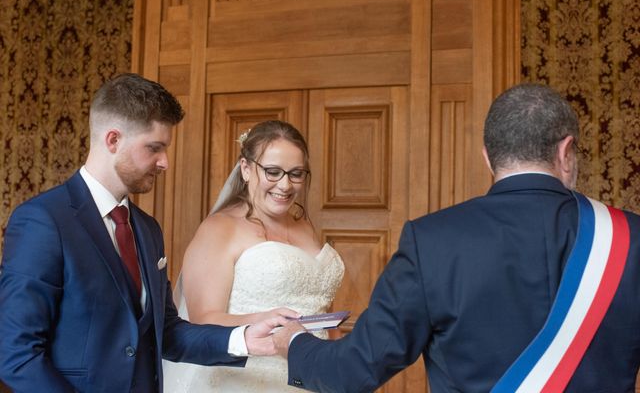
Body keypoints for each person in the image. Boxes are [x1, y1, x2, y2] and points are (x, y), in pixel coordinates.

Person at [273, 83, 640, 392]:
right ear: (566, 151)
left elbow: (352, 371)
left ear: (487, 157)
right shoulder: (631, 239)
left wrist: (294, 342)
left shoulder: (431, 240)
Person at [0, 73, 285, 393]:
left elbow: (167, 333)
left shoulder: (148, 229)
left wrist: (242, 338)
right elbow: (18, 355)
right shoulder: (43, 221)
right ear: (113, 140)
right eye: (154, 148)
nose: (164, 162)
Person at [162, 120, 345, 392]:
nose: (285, 185)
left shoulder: (303, 224)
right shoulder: (219, 228)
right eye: (273, 172)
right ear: (246, 169)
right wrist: (263, 319)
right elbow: (202, 321)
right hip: (246, 376)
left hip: (308, 370)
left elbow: (312, 301)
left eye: (296, 174)